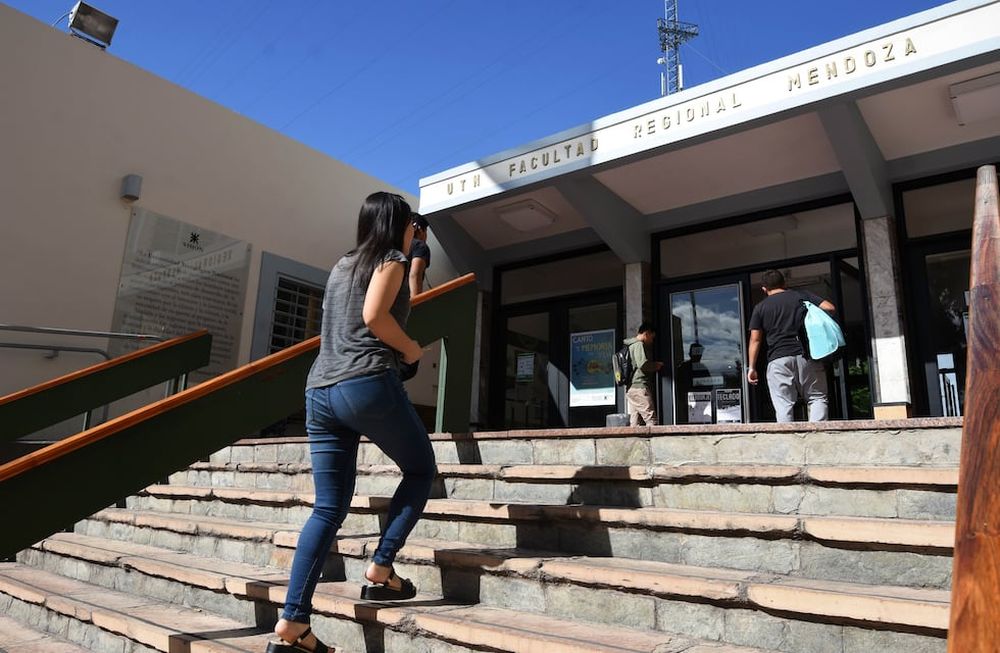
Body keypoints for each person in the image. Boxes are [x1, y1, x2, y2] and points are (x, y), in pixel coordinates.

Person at [270, 192, 436, 653]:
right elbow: (374, 317)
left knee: (327, 508)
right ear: (400, 224)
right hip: (365, 383)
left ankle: (292, 625)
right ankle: (382, 568)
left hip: (319, 390)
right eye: (411, 224)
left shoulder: (344, 264)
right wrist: (411, 350)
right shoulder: (393, 258)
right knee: (421, 470)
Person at [747, 269, 836, 423]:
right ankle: (817, 438)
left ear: (764, 289)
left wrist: (752, 367)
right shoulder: (802, 296)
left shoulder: (760, 308)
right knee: (816, 398)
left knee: (783, 406)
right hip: (807, 356)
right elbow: (829, 308)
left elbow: (755, 340)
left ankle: (788, 443)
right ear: (784, 283)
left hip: (778, 360)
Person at [623, 322, 664, 426]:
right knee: (651, 420)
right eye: (652, 337)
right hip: (639, 387)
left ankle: (634, 441)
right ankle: (656, 441)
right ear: (646, 333)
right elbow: (643, 364)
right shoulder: (638, 344)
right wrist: (656, 365)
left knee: (636, 422)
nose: (652, 341)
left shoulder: (629, 345)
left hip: (631, 389)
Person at [408, 213, 431, 297]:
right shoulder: (420, 246)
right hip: (405, 304)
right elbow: (415, 275)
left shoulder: (396, 246)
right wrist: (416, 305)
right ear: (420, 229)